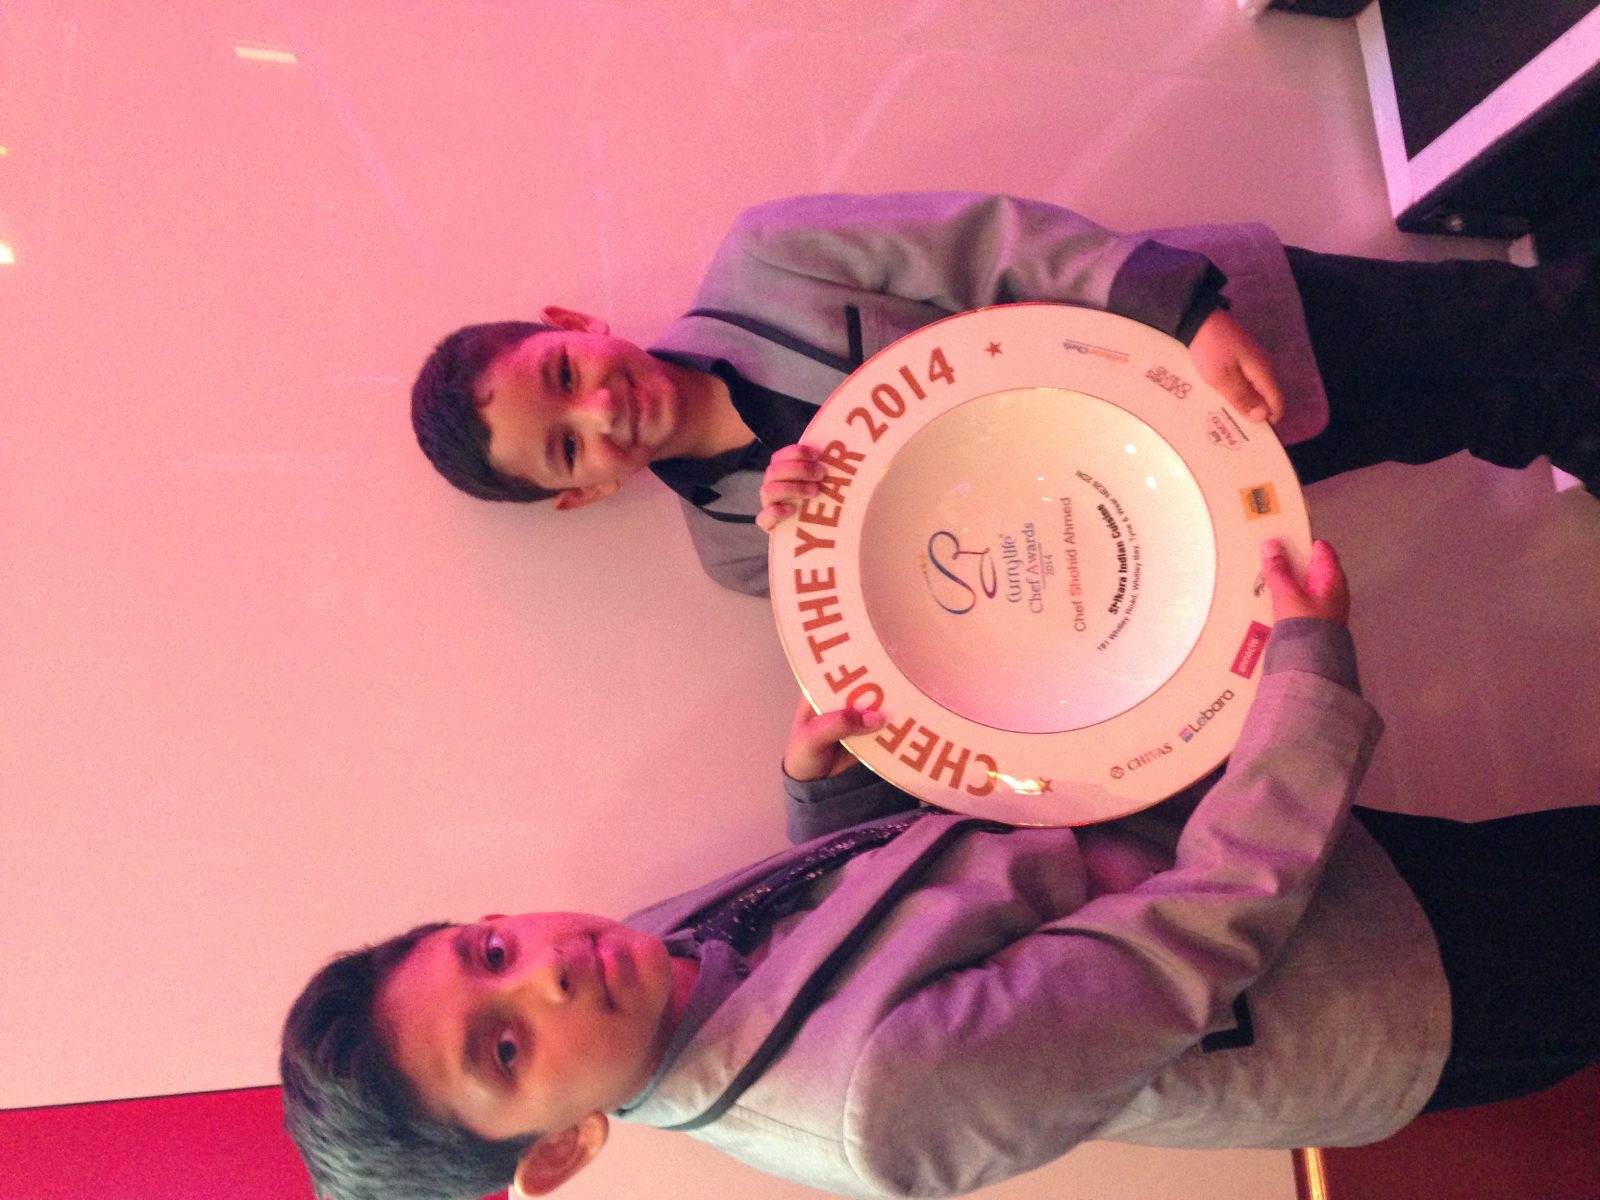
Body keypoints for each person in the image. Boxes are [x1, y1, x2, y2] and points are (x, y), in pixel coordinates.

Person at [280, 538, 1599, 1200]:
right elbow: (1197, 939)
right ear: (561, 1152)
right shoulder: (874, 1108)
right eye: (505, 1050)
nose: (548, 976)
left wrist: (826, 794)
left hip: (1323, 871)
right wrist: (1306, 666)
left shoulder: (649, 963)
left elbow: (867, 930)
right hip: (1381, 987)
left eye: (490, 953)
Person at [409, 192, 1600, 595]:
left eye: (561, 376)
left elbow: (988, 239)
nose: (599, 411)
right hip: (1174, 473)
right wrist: (845, 530)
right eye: (566, 448)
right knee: (1472, 418)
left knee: (1505, 320)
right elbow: (977, 590)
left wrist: (1186, 310)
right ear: (580, 495)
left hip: (1198, 327)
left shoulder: (765, 258)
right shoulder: (741, 550)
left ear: (573, 325)